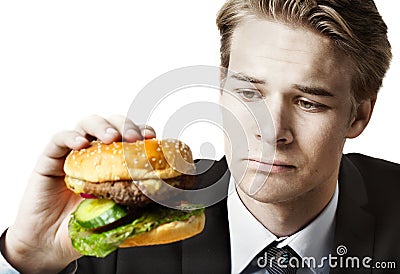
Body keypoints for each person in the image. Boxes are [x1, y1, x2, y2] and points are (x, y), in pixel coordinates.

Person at [1, 0, 399, 273]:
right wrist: (26, 256)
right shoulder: (116, 235)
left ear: (358, 115)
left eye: (309, 102)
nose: (271, 131)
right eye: (248, 93)